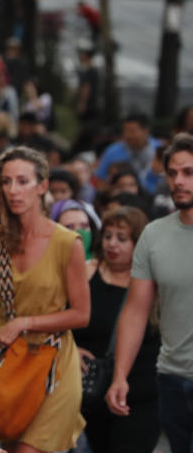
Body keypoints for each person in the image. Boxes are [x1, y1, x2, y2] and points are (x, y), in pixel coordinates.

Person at [0, 146, 90, 452]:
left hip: (55, 364)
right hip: (8, 361)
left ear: (42, 186)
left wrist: (25, 323)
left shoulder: (66, 242)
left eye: (23, 181)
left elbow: (81, 314)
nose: (13, 190)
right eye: (7, 182)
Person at [107, 133, 193, 452]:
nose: (178, 181)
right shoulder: (154, 236)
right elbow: (136, 310)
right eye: (172, 173)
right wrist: (120, 376)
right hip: (171, 377)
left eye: (188, 173)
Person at [73, 207, 160, 453]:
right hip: (87, 393)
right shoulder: (86, 271)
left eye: (122, 239)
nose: (112, 244)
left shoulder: (152, 284)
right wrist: (70, 348)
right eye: (108, 236)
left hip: (138, 394)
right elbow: (59, 317)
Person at [96, 114, 162, 194]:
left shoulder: (159, 149)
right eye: (125, 131)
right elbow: (99, 182)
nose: (127, 135)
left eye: (132, 131)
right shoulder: (112, 151)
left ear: (145, 131)